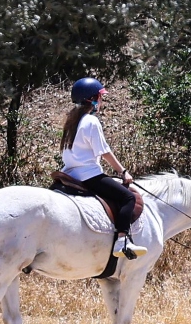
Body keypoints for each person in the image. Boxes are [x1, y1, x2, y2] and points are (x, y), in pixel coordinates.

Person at [61, 78, 147, 259]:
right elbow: (104, 152)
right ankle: (122, 241)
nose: (101, 102)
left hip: (68, 174)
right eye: (100, 98)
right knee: (128, 197)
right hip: (88, 175)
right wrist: (123, 171)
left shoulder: (71, 122)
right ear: (92, 99)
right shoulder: (91, 121)